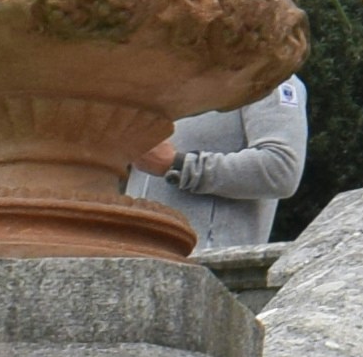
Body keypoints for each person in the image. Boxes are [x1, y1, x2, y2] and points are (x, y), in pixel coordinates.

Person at [132, 77, 309, 254]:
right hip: (130, 261)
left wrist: (178, 165)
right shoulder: (157, 83)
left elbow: (281, 170)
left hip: (207, 268)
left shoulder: (268, 78)